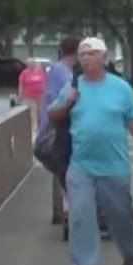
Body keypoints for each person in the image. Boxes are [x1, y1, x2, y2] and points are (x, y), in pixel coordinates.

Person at [45, 37, 133, 265]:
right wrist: (68, 103)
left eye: (91, 54)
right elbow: (53, 114)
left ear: (104, 58)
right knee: (80, 215)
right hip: (81, 166)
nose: (85, 58)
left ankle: (130, 255)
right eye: (82, 55)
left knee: (120, 216)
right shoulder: (72, 87)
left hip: (114, 166)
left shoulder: (121, 89)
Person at [42, 37, 80, 228]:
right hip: (58, 128)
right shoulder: (62, 72)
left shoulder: (60, 70)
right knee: (62, 170)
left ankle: (61, 211)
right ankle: (62, 213)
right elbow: (53, 99)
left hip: (58, 127)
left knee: (61, 169)